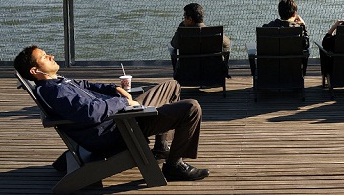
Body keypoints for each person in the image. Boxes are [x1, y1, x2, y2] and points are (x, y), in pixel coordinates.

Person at [14, 45, 209, 182]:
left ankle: (161, 147)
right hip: (119, 128)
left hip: (119, 116)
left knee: (171, 86)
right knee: (191, 108)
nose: (51, 56)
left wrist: (115, 90)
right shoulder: (54, 91)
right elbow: (90, 113)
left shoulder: (57, 82)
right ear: (34, 70)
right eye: (44, 57)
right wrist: (124, 101)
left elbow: (87, 85)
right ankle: (174, 165)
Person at [170, 3, 231, 71]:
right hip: (212, 72)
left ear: (190, 19)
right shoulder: (214, 33)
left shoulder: (183, 34)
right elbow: (227, 43)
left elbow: (174, 44)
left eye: (184, 17)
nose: (184, 20)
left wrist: (180, 28)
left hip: (188, 72)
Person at [260, 0, 310, 74]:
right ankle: (302, 74)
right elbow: (306, 45)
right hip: (293, 73)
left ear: (279, 12)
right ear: (294, 14)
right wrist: (303, 26)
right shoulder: (298, 29)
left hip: (271, 73)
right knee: (307, 51)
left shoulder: (267, 27)